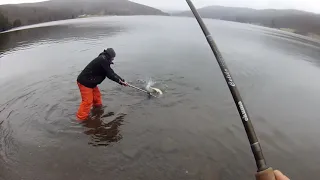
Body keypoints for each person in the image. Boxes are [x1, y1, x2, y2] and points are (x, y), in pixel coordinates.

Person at [76, 48, 128, 121]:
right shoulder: (103, 60)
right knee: (87, 102)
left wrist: (121, 81)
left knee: (97, 97)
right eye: (112, 58)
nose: (113, 59)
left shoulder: (103, 60)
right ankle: (81, 119)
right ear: (109, 56)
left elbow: (109, 73)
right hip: (85, 82)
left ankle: (97, 110)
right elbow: (110, 74)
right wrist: (121, 81)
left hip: (91, 82)